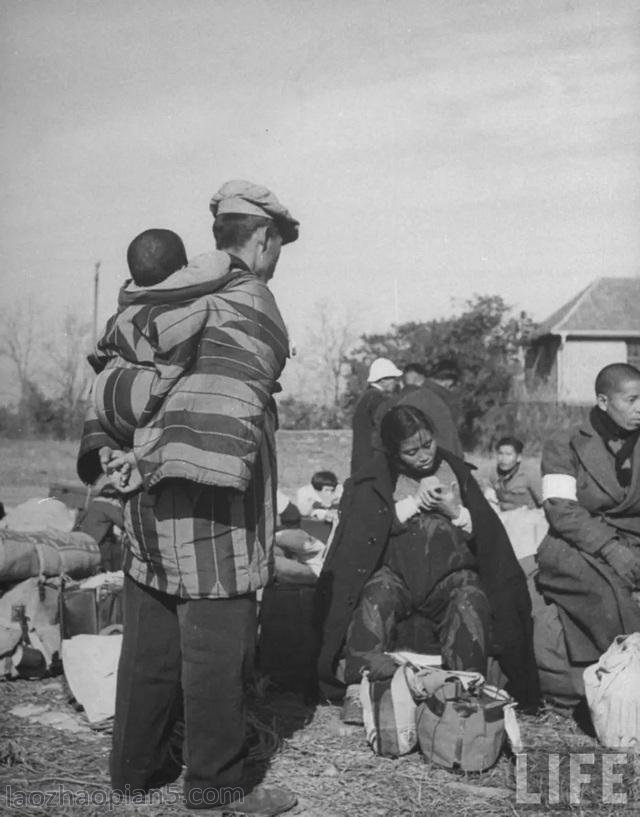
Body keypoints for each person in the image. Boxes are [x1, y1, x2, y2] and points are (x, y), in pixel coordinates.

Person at [77, 180, 299, 816]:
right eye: (277, 246)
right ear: (261, 238)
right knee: (215, 651)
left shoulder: (153, 297)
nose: (275, 259)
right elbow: (241, 381)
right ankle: (217, 786)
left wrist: (128, 457)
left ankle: (134, 771)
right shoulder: (248, 296)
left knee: (150, 643)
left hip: (143, 496)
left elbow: (118, 381)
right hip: (211, 505)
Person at [316, 405, 540, 723]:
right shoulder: (376, 477)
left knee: (471, 599)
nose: (423, 456)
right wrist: (410, 505)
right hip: (395, 575)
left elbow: (488, 536)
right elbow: (362, 535)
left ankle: (464, 691)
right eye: (411, 451)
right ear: (394, 451)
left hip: (451, 576)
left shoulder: (456, 471)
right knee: (374, 598)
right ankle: (362, 688)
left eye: (428, 445)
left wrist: (456, 512)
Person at [535, 363, 640, 696]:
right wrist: (609, 547)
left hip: (634, 541)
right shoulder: (564, 443)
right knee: (609, 593)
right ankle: (619, 685)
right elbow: (561, 509)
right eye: (632, 400)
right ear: (603, 401)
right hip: (574, 543)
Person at [350, 357, 402, 474]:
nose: (395, 382)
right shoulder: (377, 398)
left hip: (363, 462)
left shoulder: (367, 397)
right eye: (393, 378)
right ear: (383, 380)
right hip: (373, 463)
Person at [485, 436, 543, 511]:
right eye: (500, 453)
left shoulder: (530, 475)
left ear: (519, 457)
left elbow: (544, 504)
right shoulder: (494, 474)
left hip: (527, 517)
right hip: (502, 516)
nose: (503, 459)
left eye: (508, 454)